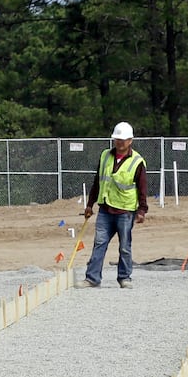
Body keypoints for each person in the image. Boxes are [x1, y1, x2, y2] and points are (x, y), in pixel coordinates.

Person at [80, 121, 148, 288]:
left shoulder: (137, 161)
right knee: (99, 244)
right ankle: (92, 278)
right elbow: (97, 181)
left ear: (130, 140)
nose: (120, 142)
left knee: (125, 246)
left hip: (125, 212)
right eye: (117, 139)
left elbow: (142, 187)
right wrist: (90, 204)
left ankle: (124, 278)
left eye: (123, 139)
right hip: (105, 210)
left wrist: (142, 210)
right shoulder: (105, 156)